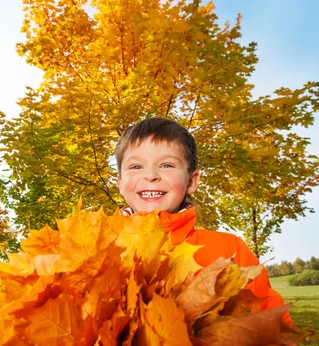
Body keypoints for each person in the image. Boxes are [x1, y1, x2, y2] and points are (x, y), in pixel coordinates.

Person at [114, 117, 291, 324]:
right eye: (136, 167)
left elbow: (270, 325)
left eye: (167, 165)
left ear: (191, 181)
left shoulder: (229, 252)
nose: (151, 175)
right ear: (120, 182)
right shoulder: (93, 248)